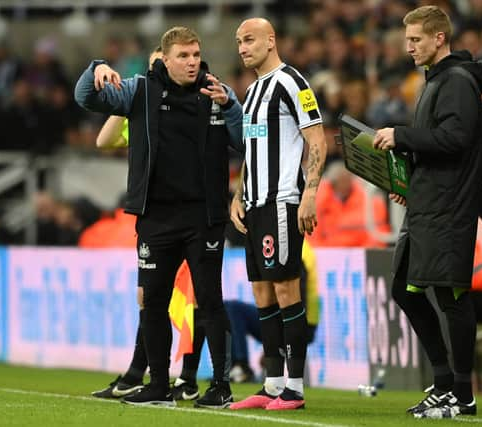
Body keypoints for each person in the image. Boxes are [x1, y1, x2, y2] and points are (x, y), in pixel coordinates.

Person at [75, 26, 243, 408]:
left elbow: (243, 139)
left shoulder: (217, 92)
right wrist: (96, 68)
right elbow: (85, 97)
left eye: (196, 54)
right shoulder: (140, 89)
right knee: (153, 302)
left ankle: (220, 385)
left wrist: (231, 107)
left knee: (210, 301)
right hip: (156, 217)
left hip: (204, 217)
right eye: (183, 56)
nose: (192, 62)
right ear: (164, 60)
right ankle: (158, 385)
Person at [372, 5, 482, 419]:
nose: (409, 48)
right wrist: (411, 182)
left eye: (416, 40)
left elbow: (456, 138)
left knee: (451, 295)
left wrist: (401, 135)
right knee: (404, 289)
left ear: (440, 38)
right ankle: (443, 383)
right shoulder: (437, 81)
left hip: (449, 207)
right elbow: (439, 143)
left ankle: (462, 393)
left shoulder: (456, 81)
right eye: (407, 40)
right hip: (429, 203)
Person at [228, 18, 327, 411]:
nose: (242, 47)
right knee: (262, 291)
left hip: (283, 200)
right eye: (238, 42)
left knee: (287, 288)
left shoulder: (292, 82)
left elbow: (316, 137)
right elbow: (252, 151)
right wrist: (238, 195)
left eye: (249, 40)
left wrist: (311, 191)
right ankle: (271, 384)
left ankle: (296, 387)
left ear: (271, 40)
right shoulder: (251, 92)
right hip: (253, 205)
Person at [226, 239, 319, 383]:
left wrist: (275, 341)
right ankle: (238, 366)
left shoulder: (295, 248)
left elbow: (295, 301)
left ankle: (241, 365)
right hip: (299, 319)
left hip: (301, 324)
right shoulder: (298, 246)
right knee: (232, 309)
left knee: (233, 309)